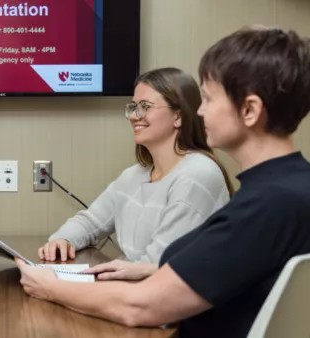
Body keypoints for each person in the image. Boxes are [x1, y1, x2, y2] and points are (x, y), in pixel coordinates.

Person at [16, 26, 310, 338]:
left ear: (249, 110)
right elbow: (238, 270)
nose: (199, 110)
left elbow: (142, 307)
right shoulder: (287, 188)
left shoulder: (266, 204)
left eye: (208, 99)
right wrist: (149, 269)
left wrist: (50, 286)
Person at [39, 67, 234, 280]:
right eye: (132, 107)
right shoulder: (134, 175)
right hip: (133, 292)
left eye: (145, 107)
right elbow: (90, 222)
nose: (133, 116)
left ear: (178, 116)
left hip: (163, 302)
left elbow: (157, 265)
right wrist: (63, 240)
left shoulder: (198, 174)